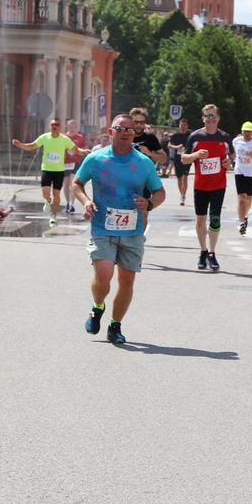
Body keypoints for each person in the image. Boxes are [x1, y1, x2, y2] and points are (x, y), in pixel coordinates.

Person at [74, 113, 166, 344]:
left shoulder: (143, 163)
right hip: (102, 227)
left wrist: (150, 203)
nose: (126, 133)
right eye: (121, 128)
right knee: (103, 277)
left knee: (126, 281)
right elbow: (77, 184)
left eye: (130, 130)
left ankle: (115, 325)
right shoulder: (96, 159)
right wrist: (86, 202)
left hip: (133, 230)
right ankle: (97, 307)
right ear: (110, 131)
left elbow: (160, 192)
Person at [181, 104, 233, 271]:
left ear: (218, 118)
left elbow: (231, 155)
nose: (210, 119)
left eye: (213, 116)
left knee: (215, 219)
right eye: (207, 116)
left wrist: (228, 163)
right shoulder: (195, 137)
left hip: (219, 185)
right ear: (203, 118)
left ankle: (212, 253)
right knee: (201, 220)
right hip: (200, 186)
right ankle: (203, 251)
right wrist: (196, 155)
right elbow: (183, 158)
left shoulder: (224, 137)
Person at [12, 118, 90, 227]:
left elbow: (76, 149)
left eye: (57, 125)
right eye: (52, 124)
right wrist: (20, 144)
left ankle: (53, 215)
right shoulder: (45, 137)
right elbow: (32, 146)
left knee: (56, 194)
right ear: (50, 126)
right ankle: (47, 201)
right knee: (45, 193)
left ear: (60, 127)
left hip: (58, 171)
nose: (54, 126)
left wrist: (84, 152)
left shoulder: (64, 139)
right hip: (46, 169)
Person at [61, 119, 88, 216]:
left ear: (76, 127)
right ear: (67, 127)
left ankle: (72, 204)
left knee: (73, 183)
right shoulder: (64, 137)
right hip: (65, 163)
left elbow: (84, 148)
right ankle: (67, 203)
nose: (71, 129)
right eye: (69, 127)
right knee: (66, 185)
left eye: (73, 127)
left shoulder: (80, 137)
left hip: (76, 162)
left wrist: (80, 152)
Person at [168, 119, 192, 206]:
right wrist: (177, 146)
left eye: (184, 125)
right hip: (177, 158)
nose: (183, 126)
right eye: (181, 125)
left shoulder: (190, 136)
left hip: (187, 158)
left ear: (187, 126)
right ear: (179, 125)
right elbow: (169, 145)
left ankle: (183, 196)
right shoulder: (175, 135)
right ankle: (181, 194)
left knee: (184, 177)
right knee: (179, 178)